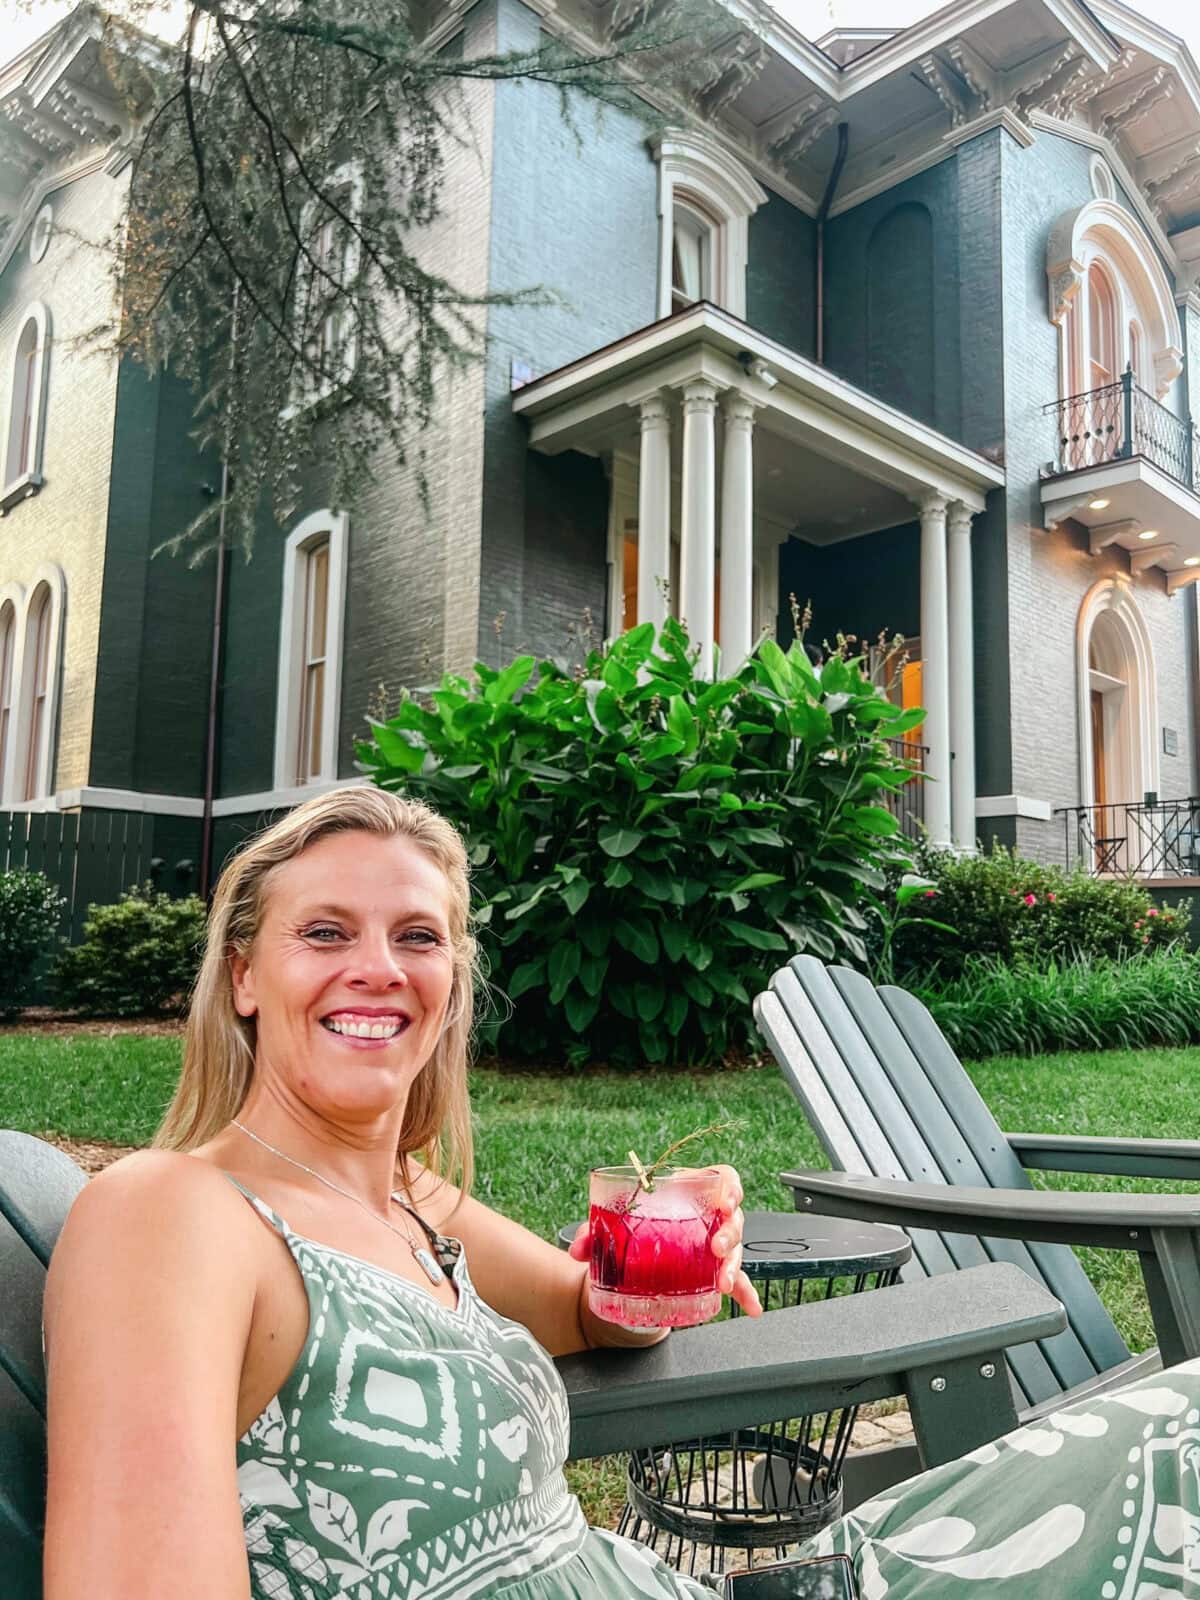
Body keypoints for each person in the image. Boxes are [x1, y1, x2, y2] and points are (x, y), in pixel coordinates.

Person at [42, 785, 761, 1600]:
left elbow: (585, 1315)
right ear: (244, 975)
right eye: (324, 932)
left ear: (450, 985)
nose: (379, 969)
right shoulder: (171, 1213)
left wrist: (652, 1269)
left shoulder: (408, 1198)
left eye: (417, 937)